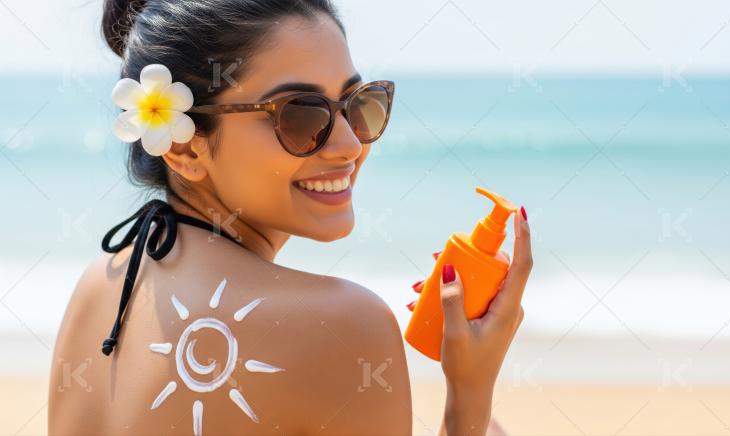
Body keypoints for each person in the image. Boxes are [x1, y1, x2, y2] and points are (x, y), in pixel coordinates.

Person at [48, 1, 533, 434]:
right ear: (183, 145)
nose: (349, 145)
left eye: (357, 105)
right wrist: (470, 396)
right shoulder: (345, 325)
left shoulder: (103, 286)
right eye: (300, 115)